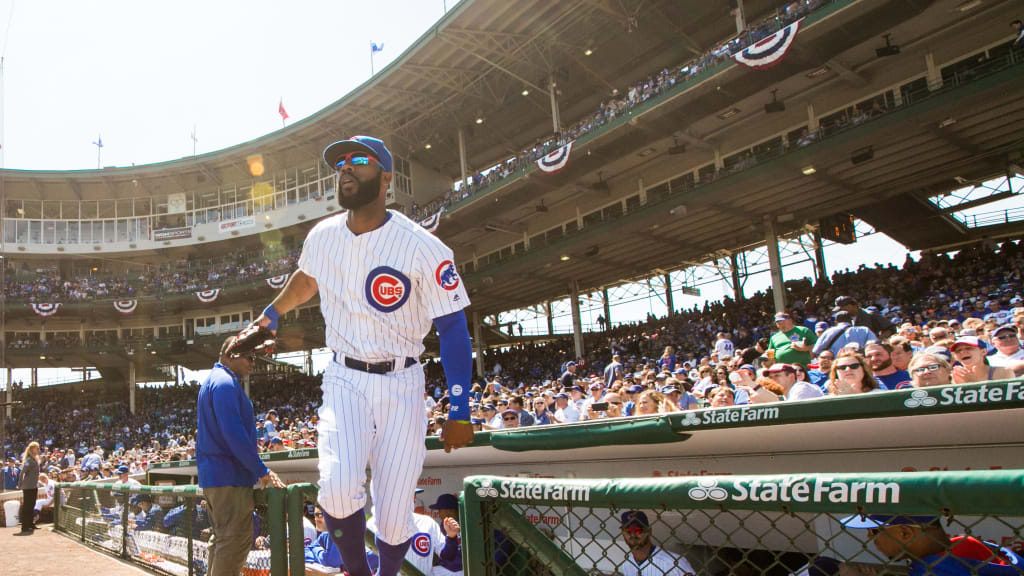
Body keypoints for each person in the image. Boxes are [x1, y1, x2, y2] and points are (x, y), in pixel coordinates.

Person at [252, 136, 474, 576]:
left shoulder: (422, 245)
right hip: (344, 376)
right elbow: (307, 277)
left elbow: (453, 328)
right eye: (341, 163)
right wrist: (273, 310)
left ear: (387, 176)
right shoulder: (324, 235)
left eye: (359, 160)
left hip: (403, 380)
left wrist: (461, 406)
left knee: (394, 516)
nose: (346, 168)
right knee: (334, 490)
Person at [197, 335, 285, 576]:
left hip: (217, 476)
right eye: (249, 356)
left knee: (223, 539)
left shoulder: (214, 380)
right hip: (229, 476)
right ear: (231, 355)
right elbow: (233, 434)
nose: (253, 362)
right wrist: (262, 470)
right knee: (234, 541)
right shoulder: (225, 383)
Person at [840, 514, 1024, 575]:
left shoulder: (933, 570)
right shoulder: (967, 545)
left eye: (874, 531)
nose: (868, 537)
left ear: (905, 533)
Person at [619, 510, 696, 576]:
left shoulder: (673, 563)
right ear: (623, 533)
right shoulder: (627, 564)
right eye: (628, 531)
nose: (633, 535)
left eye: (638, 530)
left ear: (649, 531)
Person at [812, 311, 878, 357]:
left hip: (836, 366)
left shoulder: (828, 332)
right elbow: (874, 345)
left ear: (836, 321)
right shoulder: (864, 330)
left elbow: (816, 351)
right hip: (859, 365)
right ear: (851, 321)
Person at [428, 493, 464, 576]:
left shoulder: (468, 526)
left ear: (450, 511)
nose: (439, 514)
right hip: (458, 569)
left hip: (456, 570)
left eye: (440, 510)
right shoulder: (442, 526)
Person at [14, 441, 40, 535]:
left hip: (33, 486)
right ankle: (25, 526)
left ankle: (30, 524)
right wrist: (20, 484)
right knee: (27, 507)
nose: (38, 450)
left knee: (32, 505)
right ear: (32, 449)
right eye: (37, 448)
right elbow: (22, 473)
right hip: (28, 487)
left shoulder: (34, 459)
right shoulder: (29, 460)